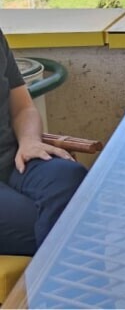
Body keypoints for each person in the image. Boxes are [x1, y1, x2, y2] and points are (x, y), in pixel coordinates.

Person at [0, 30, 87, 255]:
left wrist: (29, 141)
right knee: (64, 223)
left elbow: (23, 107)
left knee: (70, 177)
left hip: (14, 161)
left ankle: (66, 274)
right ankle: (66, 275)